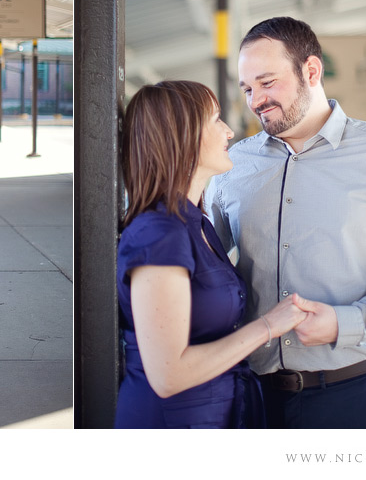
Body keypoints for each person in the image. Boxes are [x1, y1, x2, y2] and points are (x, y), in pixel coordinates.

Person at [206, 16, 366, 429]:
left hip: (356, 395)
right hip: (256, 398)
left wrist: (345, 323)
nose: (255, 100)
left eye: (267, 82)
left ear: (311, 71)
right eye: (247, 88)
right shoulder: (233, 164)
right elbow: (202, 258)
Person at [115, 80, 310, 429]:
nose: (229, 131)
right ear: (181, 134)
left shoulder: (196, 224)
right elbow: (169, 374)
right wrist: (269, 325)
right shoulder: (159, 234)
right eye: (216, 119)